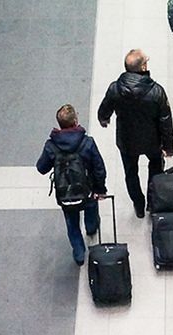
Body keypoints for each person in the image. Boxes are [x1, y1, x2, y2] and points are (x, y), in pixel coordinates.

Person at [97, 49, 173, 219]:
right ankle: (152, 201)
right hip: (152, 140)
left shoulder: (115, 89)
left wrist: (104, 120)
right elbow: (166, 121)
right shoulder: (156, 92)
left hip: (127, 140)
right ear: (143, 67)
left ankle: (138, 205)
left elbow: (104, 111)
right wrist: (168, 147)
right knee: (155, 167)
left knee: (130, 173)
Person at [36, 104, 109, 265]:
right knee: (91, 210)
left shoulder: (51, 146)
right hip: (87, 190)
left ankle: (79, 253)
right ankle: (91, 229)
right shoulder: (87, 143)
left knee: (71, 221)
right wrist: (100, 189)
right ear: (75, 121)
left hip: (65, 194)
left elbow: (41, 168)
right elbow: (99, 168)